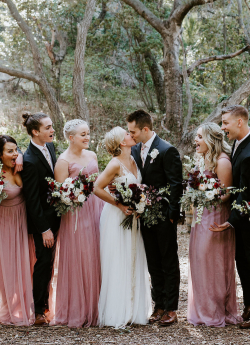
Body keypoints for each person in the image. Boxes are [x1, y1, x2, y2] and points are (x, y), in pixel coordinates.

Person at [127, 109, 183, 326]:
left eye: (133, 132)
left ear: (146, 129)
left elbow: (175, 184)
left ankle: (171, 308)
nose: (130, 136)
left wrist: (172, 215)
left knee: (168, 260)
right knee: (152, 261)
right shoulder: (133, 149)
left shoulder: (167, 150)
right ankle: (158, 304)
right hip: (142, 215)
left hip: (163, 216)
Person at [93, 127, 151, 327]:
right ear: (121, 143)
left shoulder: (134, 158)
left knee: (132, 259)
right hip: (116, 217)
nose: (130, 134)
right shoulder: (114, 164)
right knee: (118, 260)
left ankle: (134, 310)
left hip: (133, 217)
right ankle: (117, 312)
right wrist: (119, 203)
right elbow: (96, 188)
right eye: (127, 134)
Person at [210, 104, 250, 327]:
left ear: (239, 122)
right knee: (242, 260)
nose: (223, 128)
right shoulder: (240, 142)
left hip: (249, 219)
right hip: (242, 218)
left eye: (225, 123)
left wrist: (231, 221)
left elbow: (245, 193)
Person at [186, 123, 241, 327]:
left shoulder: (222, 161)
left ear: (210, 139)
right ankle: (202, 309)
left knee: (214, 262)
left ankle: (215, 309)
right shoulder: (202, 160)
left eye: (199, 137)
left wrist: (205, 193)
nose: (196, 141)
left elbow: (227, 194)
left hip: (216, 216)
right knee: (199, 260)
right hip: (201, 217)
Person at [49, 119, 102, 327]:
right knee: (79, 257)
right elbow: (60, 194)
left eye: (88, 133)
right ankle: (77, 309)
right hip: (75, 214)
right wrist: (73, 194)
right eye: (83, 134)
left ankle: (96, 307)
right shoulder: (63, 162)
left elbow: (97, 181)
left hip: (95, 209)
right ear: (71, 138)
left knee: (95, 254)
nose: (87, 137)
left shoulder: (92, 155)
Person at [0, 135, 35, 326]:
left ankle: (23, 305)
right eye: (9, 151)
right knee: (6, 263)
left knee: (26, 261)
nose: (14, 154)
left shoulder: (19, 167)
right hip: (3, 223)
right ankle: (8, 306)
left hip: (22, 220)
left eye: (16, 150)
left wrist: (19, 156)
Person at [18, 111, 59, 326]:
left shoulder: (50, 147)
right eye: (48, 128)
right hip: (42, 222)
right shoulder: (29, 160)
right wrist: (44, 229)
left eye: (51, 126)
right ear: (35, 132)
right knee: (43, 262)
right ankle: (38, 309)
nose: (52, 130)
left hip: (57, 215)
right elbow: (32, 200)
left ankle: (48, 302)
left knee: (50, 262)